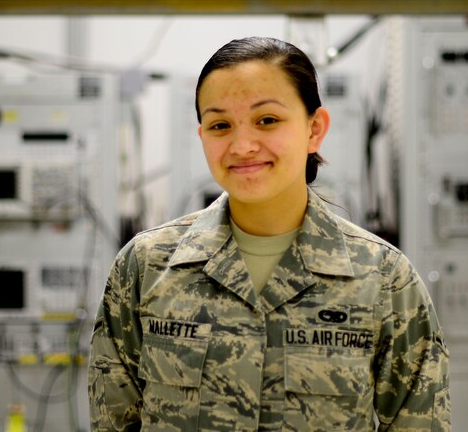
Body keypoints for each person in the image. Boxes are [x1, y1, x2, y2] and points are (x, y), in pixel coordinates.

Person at [88, 36, 449, 430]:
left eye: (267, 120)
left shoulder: (383, 278)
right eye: (220, 125)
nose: (242, 146)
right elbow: (114, 422)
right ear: (203, 136)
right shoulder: (146, 267)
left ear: (314, 129)